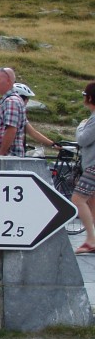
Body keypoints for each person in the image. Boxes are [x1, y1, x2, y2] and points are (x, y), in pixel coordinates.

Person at [72, 82, 95, 254]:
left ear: (89, 98)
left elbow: (83, 139)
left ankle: (90, 240)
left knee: (78, 199)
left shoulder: (93, 119)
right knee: (92, 203)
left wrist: (81, 125)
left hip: (93, 166)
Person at [0, 67, 27, 156]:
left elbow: (11, 129)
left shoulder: (11, 102)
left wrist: (0, 155)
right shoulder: (9, 100)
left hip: (8, 159)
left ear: (8, 81)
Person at [13, 82, 58, 151]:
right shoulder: (12, 113)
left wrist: (53, 144)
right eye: (26, 98)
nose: (28, 101)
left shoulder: (20, 114)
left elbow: (33, 133)